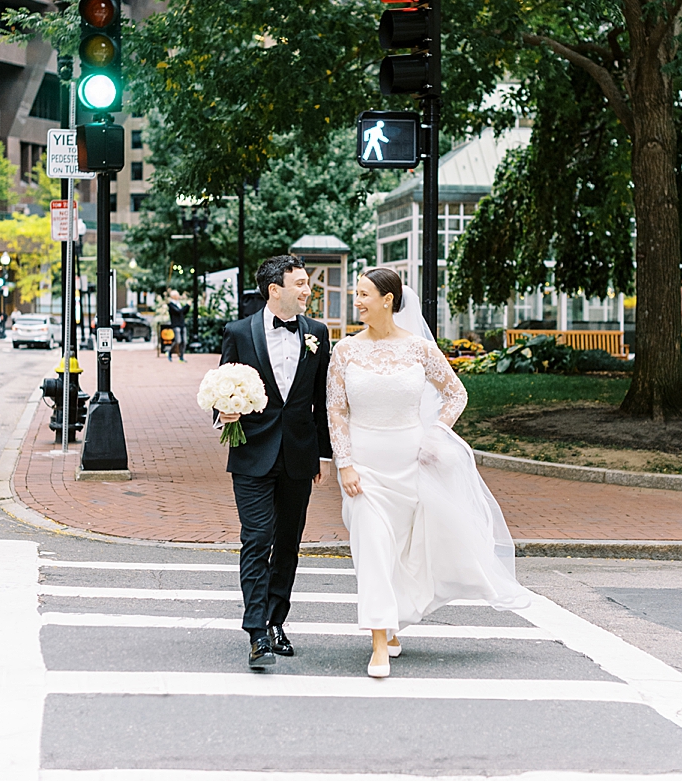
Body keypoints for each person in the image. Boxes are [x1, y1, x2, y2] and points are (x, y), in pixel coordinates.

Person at [326, 268, 531, 678]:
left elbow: (456, 393)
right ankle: (379, 643)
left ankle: (393, 622)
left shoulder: (419, 349)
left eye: (365, 294)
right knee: (372, 546)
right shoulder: (345, 351)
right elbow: (337, 410)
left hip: (410, 463)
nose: (358, 301)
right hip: (364, 466)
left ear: (389, 299)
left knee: (402, 552)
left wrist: (436, 435)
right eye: (357, 294)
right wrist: (344, 463)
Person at [214, 255, 332, 669]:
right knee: (257, 537)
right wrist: (223, 413)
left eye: (307, 283)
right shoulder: (238, 332)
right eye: (299, 283)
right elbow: (221, 388)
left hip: (299, 455)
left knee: (288, 544)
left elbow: (322, 401)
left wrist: (324, 454)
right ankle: (256, 632)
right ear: (274, 290)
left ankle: (276, 621)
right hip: (251, 452)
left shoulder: (318, 334)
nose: (307, 290)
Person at [166, 290, 189, 362]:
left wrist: (187, 307)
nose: (179, 296)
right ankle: (169, 352)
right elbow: (178, 311)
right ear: (173, 296)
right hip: (176, 325)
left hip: (182, 324)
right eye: (177, 295)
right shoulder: (171, 305)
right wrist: (187, 305)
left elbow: (183, 312)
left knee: (184, 341)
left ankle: (181, 357)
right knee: (178, 341)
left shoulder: (179, 304)